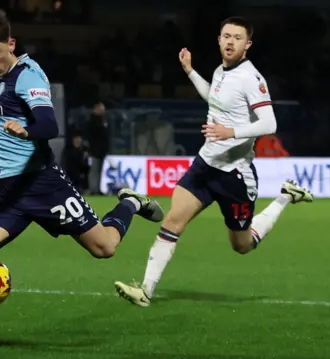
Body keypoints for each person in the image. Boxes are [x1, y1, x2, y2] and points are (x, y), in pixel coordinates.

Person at [0, 10, 165, 343]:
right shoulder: (1, 78)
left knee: (105, 247)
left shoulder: (28, 75)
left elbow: (50, 125)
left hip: (43, 185)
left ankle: (130, 202)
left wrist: (26, 131)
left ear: (12, 44)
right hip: (7, 192)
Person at [114, 17, 314, 307]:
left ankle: (284, 196)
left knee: (241, 245)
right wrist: (191, 72)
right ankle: (145, 291)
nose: (230, 41)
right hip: (205, 166)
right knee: (172, 221)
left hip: (234, 176)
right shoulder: (221, 70)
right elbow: (215, 100)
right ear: (219, 40)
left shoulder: (252, 79)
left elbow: (269, 123)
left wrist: (229, 132)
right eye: (226, 36)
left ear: (248, 45)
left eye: (237, 37)